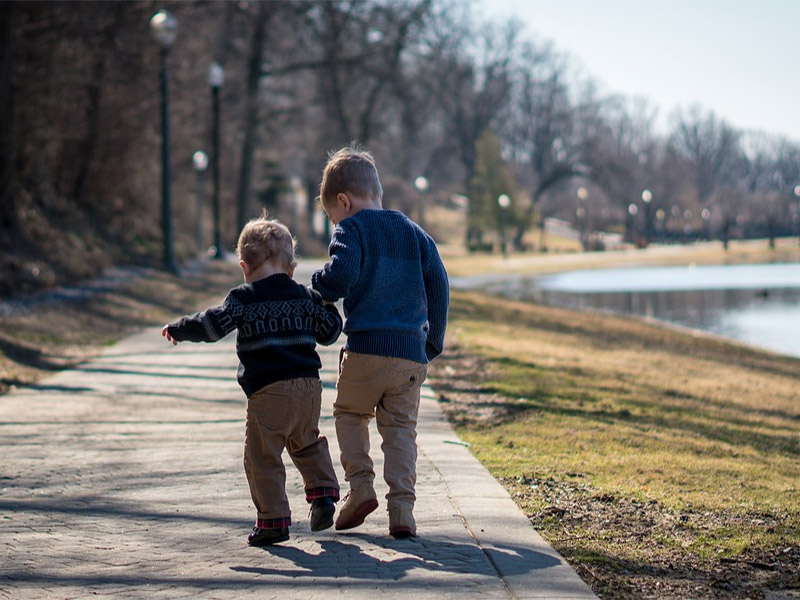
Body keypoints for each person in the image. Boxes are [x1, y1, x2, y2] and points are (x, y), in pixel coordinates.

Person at [162, 216, 342, 547]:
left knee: (262, 456)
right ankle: (324, 493)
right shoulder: (305, 296)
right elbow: (330, 332)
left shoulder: (243, 299)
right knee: (307, 442)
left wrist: (180, 328)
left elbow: (212, 325)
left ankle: (273, 520)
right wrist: (327, 302)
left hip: (269, 391)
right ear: (291, 268)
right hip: (308, 388)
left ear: (244, 266)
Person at [311, 145, 449, 538]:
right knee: (401, 429)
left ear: (343, 201)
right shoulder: (413, 231)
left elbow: (340, 276)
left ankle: (361, 487)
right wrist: (431, 342)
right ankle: (402, 509)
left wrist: (317, 285)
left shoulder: (351, 229)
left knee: (350, 414)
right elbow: (439, 283)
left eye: (331, 216)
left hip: (366, 349)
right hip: (410, 353)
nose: (334, 223)